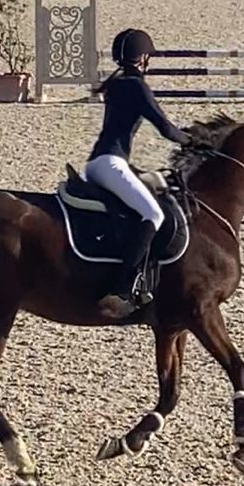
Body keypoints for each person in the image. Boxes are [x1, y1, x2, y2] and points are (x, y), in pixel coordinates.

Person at [85, 28, 191, 307]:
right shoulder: (136, 86)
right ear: (142, 57)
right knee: (153, 214)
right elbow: (166, 128)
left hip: (99, 163)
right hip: (111, 163)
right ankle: (122, 287)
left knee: (155, 187)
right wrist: (194, 140)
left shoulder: (117, 83)